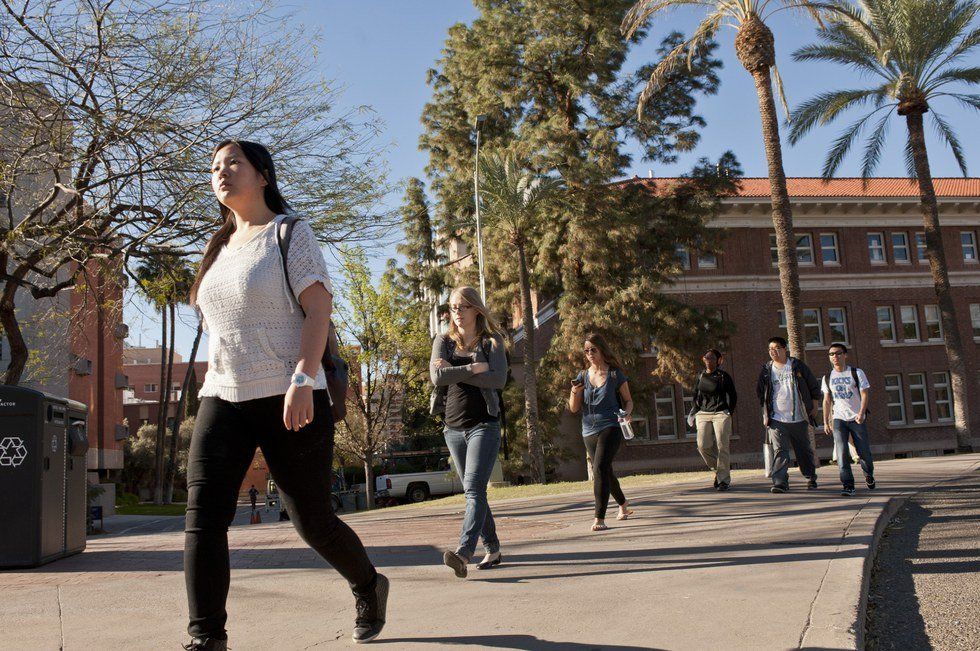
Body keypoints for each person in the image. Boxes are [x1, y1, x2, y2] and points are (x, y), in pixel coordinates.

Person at [183, 140, 387, 649]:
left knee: (312, 520)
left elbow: (318, 311)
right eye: (214, 167)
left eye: (233, 163)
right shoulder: (219, 248)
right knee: (203, 517)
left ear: (263, 175)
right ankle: (207, 637)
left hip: (289, 394)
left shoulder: (289, 233)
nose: (221, 172)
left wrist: (302, 378)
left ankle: (368, 583)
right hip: (223, 395)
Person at [430, 286, 508, 578]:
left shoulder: (492, 342)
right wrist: (475, 367)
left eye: (462, 307)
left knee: (474, 490)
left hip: (483, 425)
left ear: (476, 309)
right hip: (452, 427)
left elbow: (498, 379)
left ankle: (463, 553)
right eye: (452, 307)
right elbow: (437, 377)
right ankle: (494, 547)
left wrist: (456, 368)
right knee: (473, 492)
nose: (457, 313)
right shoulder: (443, 341)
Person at [568, 333, 635, 531]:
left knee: (598, 469)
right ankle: (623, 504)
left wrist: (627, 414)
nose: (589, 353)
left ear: (602, 350)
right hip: (588, 429)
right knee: (605, 470)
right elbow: (573, 408)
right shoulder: (582, 376)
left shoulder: (615, 374)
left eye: (593, 350)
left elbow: (628, 400)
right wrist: (575, 391)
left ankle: (599, 518)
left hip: (611, 425)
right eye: (586, 350)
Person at [756, 336, 822, 494]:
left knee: (803, 450)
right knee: (780, 450)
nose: (773, 351)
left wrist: (814, 405)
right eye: (770, 349)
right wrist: (765, 413)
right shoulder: (766, 369)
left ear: (785, 349)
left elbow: (813, 385)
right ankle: (780, 482)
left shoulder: (797, 365)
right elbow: (761, 393)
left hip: (799, 417)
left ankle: (810, 476)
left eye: (777, 348)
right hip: (776, 418)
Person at [821, 343, 876, 497]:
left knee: (863, 451)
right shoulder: (827, 378)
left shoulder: (856, 373)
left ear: (845, 355)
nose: (835, 357)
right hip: (838, 418)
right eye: (831, 354)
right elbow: (826, 401)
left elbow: (864, 394)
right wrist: (826, 421)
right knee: (841, 452)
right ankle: (848, 485)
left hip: (856, 418)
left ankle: (868, 474)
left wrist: (861, 412)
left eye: (838, 353)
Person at [686, 349, 738, 491]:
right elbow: (695, 394)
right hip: (703, 413)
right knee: (702, 445)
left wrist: (729, 412)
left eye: (712, 358)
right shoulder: (700, 376)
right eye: (706, 358)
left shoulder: (723, 376)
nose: (709, 360)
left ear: (718, 360)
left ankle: (723, 481)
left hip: (721, 413)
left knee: (722, 447)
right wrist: (696, 409)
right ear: (703, 360)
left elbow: (733, 395)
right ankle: (720, 471)